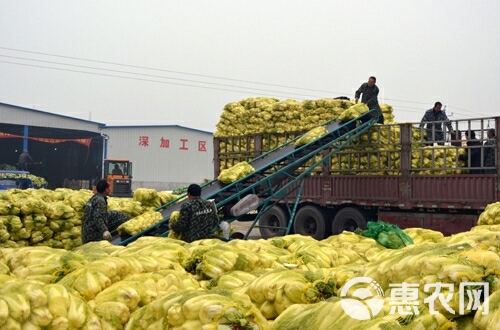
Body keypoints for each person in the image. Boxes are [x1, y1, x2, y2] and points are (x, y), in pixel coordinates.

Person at [81, 179, 130, 244]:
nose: (110, 189)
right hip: (93, 235)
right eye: (109, 187)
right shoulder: (100, 200)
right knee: (122, 217)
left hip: (86, 233)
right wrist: (104, 231)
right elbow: (98, 217)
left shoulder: (93, 198)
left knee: (114, 214)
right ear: (106, 189)